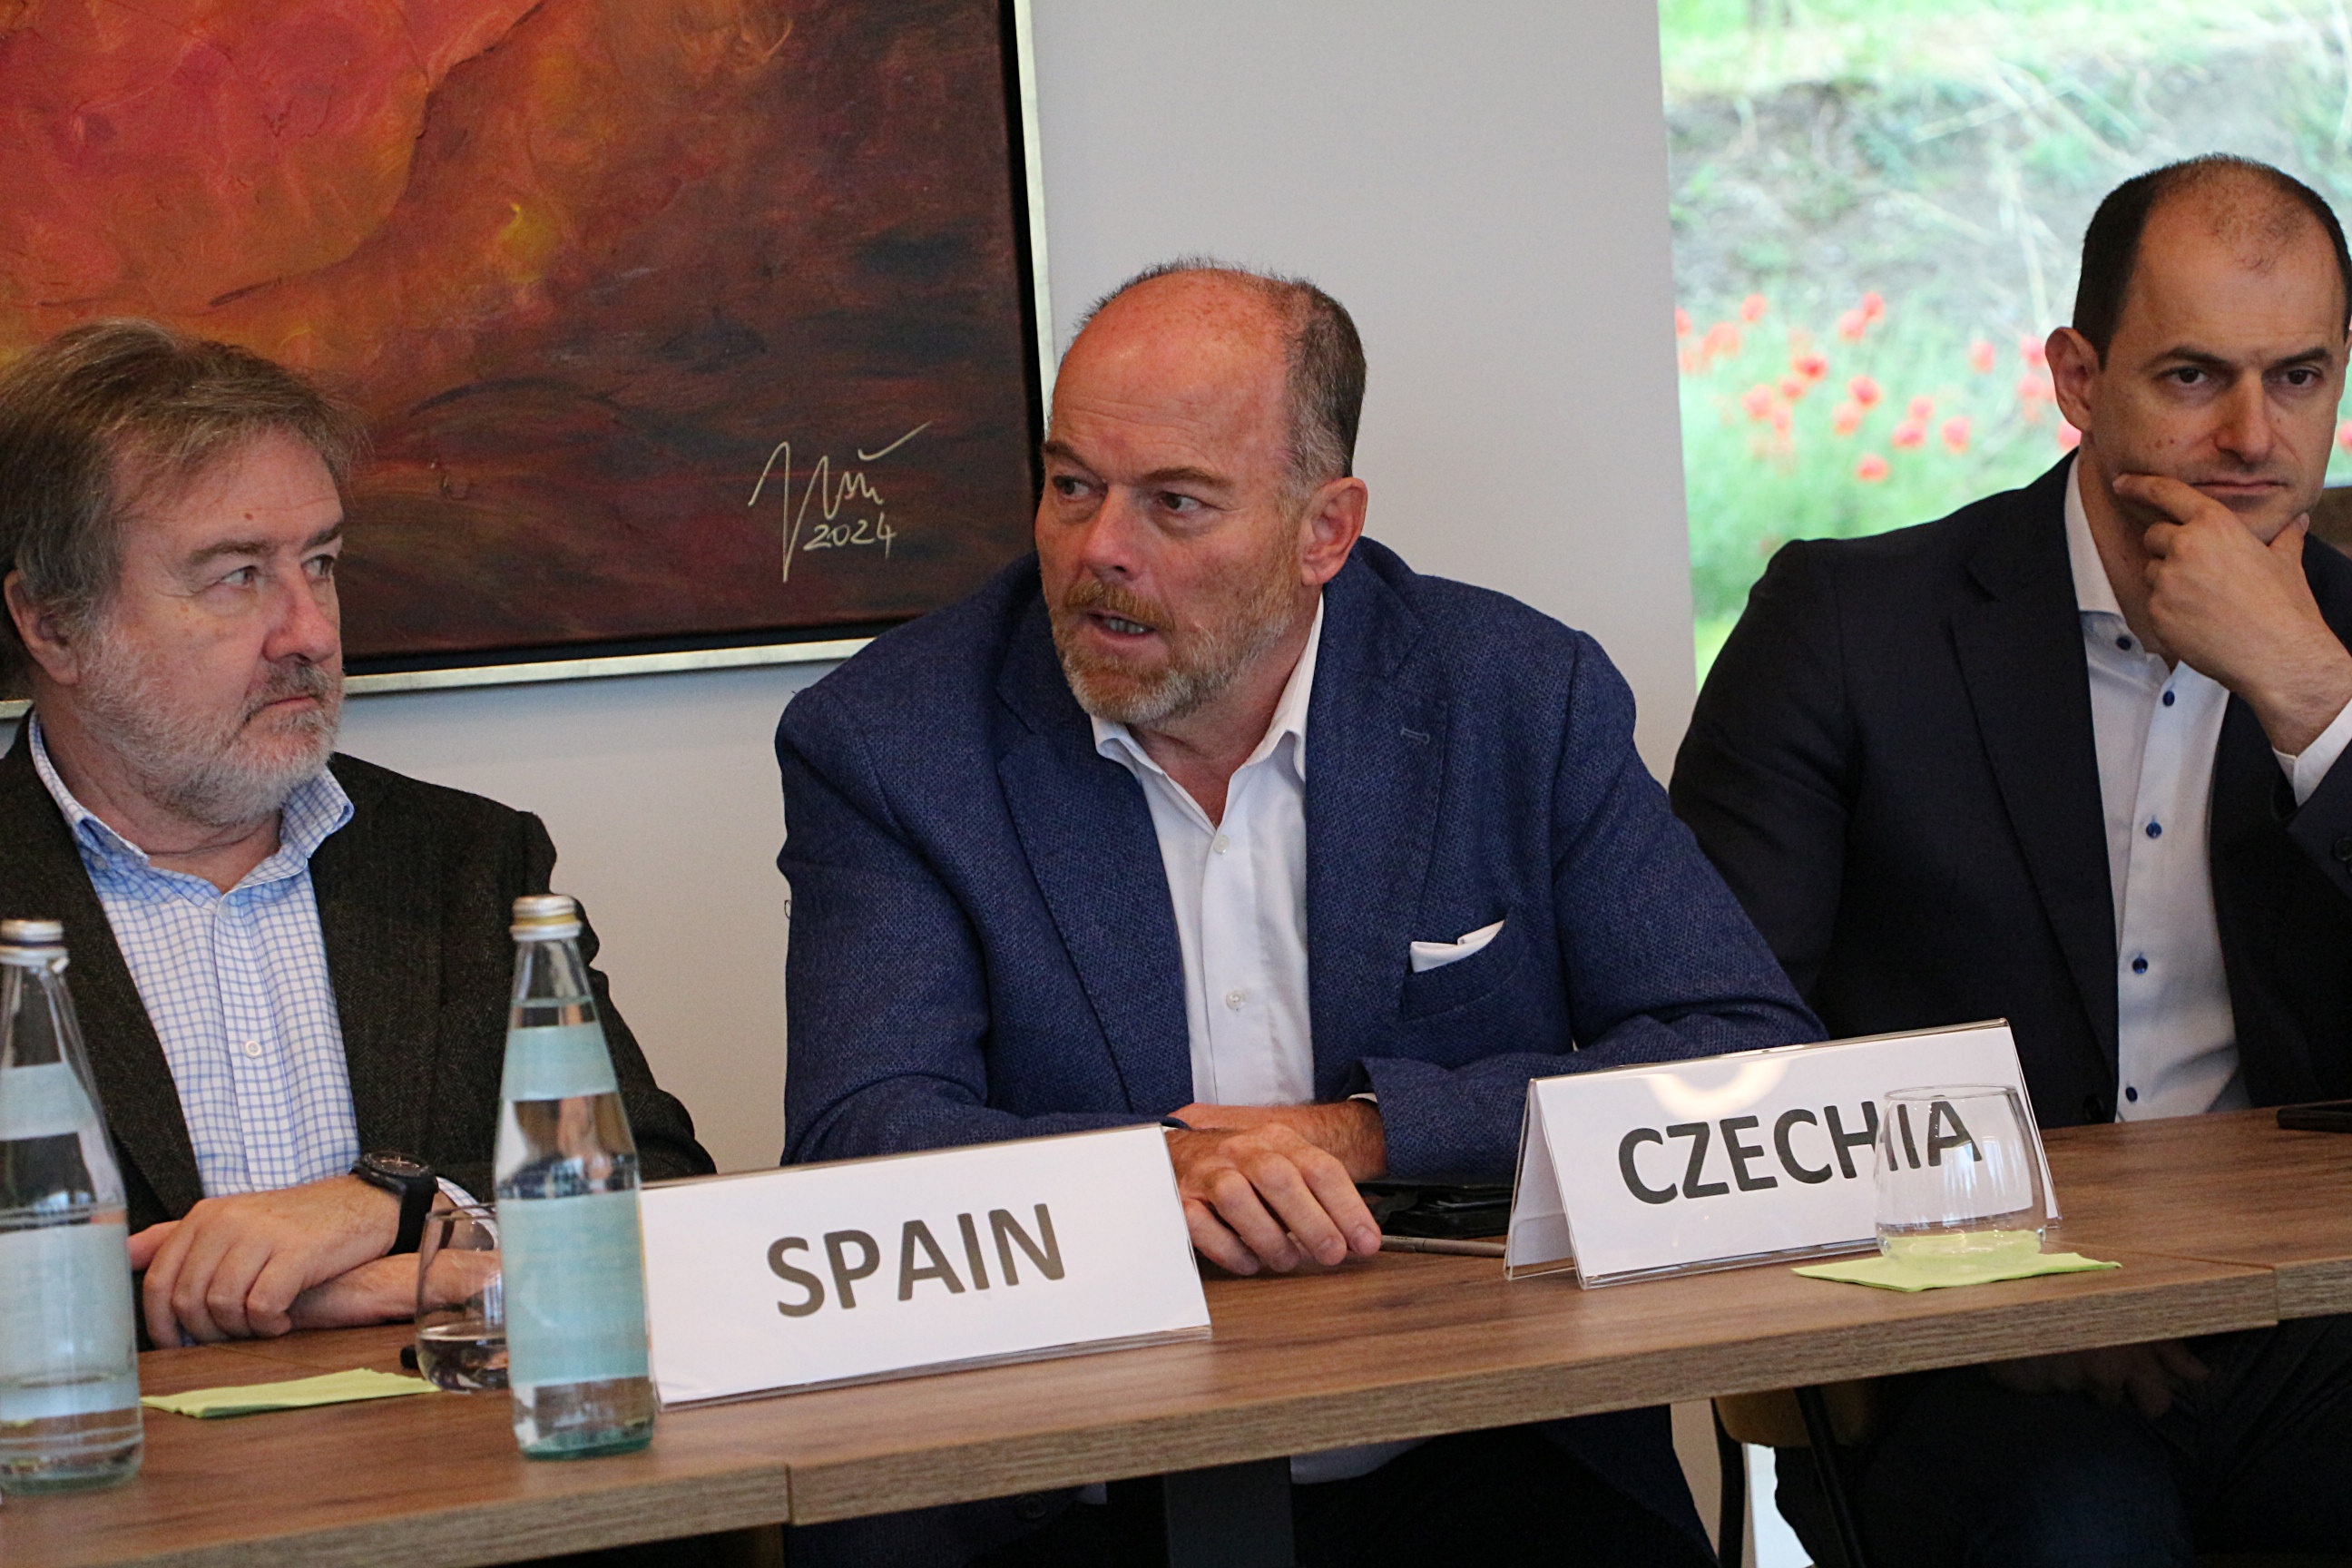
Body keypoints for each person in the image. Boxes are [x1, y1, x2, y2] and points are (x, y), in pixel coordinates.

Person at [774, 261, 1820, 1566]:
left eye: (1175, 503)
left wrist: (1362, 1134)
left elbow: (1745, 1063)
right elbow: (861, 1138)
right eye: (1072, 485)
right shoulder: (891, 741)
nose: (1099, 549)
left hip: (1472, 1452)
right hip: (1058, 1485)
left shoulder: (1512, 694)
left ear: (1325, 530)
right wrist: (1160, 1168)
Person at [1674, 154, 2352, 1564]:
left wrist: (2313, 703)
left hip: (2304, 1329)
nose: (2253, 435)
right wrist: (2004, 1304)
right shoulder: (1846, 630)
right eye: (2193, 377)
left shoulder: (2340, 659)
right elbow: (1706, 1057)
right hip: (1957, 1341)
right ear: (2077, 377)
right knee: (2077, 1527)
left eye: (2299, 377)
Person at [0, 319, 713, 1351]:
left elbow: (655, 1182)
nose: (314, 632)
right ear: (53, 624)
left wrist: (390, 1205)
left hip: (453, 1441)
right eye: (239, 575)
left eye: (321, 563)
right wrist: (298, 1297)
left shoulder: (466, 863)